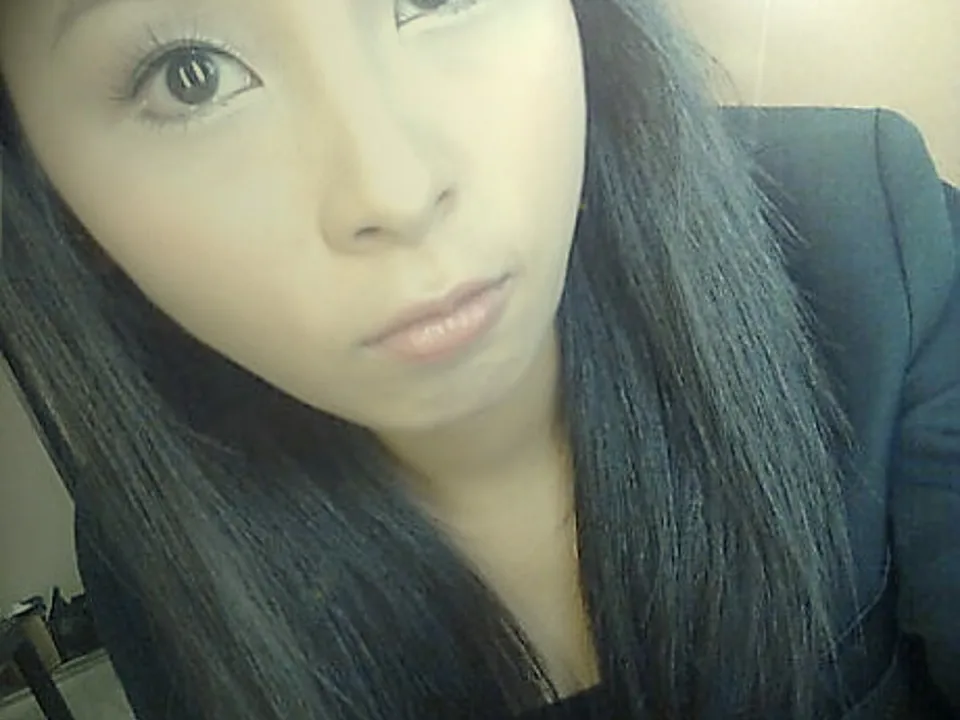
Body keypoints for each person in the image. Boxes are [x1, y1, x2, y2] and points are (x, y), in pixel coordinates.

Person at [0, 1, 957, 718]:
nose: (395, 190)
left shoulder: (872, 240)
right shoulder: (154, 541)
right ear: (50, 197)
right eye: (190, 75)